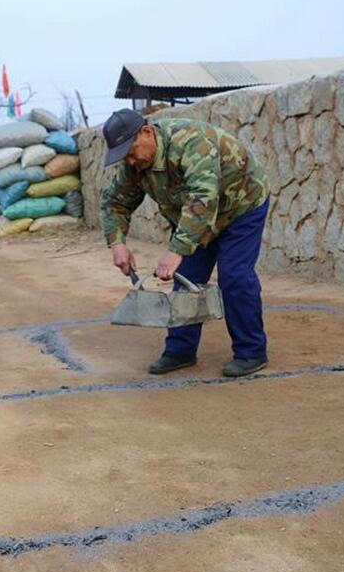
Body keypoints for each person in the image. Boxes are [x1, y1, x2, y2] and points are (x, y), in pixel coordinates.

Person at [101, 109, 270, 377]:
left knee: (235, 275)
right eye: (124, 156)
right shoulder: (135, 164)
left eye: (130, 152)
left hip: (241, 205)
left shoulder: (190, 142)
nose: (130, 161)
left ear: (146, 132)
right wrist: (117, 243)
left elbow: (203, 196)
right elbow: (115, 203)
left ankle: (251, 351)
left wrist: (176, 250)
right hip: (198, 215)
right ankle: (180, 350)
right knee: (187, 277)